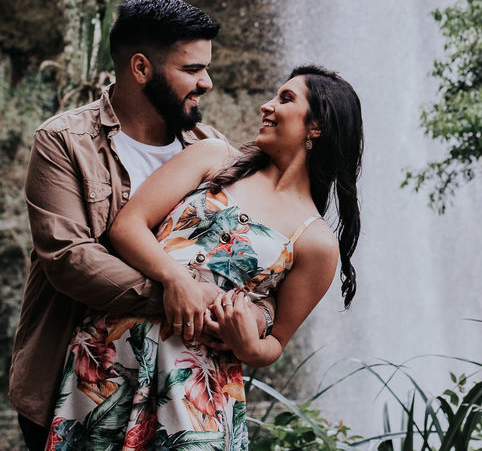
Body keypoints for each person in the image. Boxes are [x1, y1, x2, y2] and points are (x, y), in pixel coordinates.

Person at [44, 65, 363, 451]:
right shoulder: (214, 159)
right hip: (110, 358)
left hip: (196, 389)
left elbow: (275, 344)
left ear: (317, 127)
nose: (267, 105)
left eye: (286, 98)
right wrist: (176, 279)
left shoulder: (316, 241)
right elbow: (127, 226)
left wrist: (247, 345)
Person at [9, 0, 272, 451]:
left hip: (183, 398)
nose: (206, 82)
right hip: (71, 393)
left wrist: (253, 319)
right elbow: (70, 260)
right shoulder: (64, 142)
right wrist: (181, 292)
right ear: (140, 68)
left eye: (206, 68)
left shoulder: (212, 148)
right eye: (192, 69)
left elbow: (252, 258)